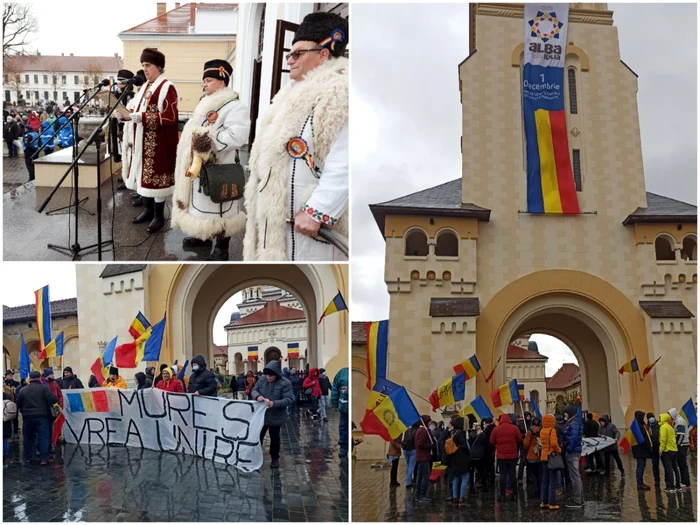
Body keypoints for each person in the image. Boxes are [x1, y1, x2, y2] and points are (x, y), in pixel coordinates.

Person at [244, 12, 349, 261]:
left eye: (298, 53)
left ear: (323, 54)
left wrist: (318, 211)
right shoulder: (289, 93)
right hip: (275, 219)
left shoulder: (340, 91)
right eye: (289, 54)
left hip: (306, 225)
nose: (290, 60)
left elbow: (346, 158)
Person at [171, 59, 250, 260]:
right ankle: (203, 235)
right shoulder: (205, 103)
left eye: (208, 80)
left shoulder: (235, 106)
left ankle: (222, 246)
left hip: (220, 168)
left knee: (221, 208)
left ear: (222, 81)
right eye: (203, 81)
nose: (204, 85)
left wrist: (208, 140)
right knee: (200, 204)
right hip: (199, 167)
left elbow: (237, 136)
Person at [123, 48, 179, 234]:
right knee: (143, 177)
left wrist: (143, 117)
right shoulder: (145, 87)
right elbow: (136, 111)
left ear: (158, 67)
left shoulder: (166, 87)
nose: (145, 69)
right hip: (141, 141)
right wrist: (125, 115)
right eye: (143, 66)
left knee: (156, 182)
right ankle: (147, 210)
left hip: (158, 143)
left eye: (148, 65)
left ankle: (158, 216)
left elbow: (171, 116)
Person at [251, 360, 294, 469]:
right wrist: (257, 396)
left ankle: (274, 458)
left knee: (274, 438)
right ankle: (255, 456)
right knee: (258, 436)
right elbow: (254, 390)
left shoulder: (285, 383)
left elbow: (289, 399)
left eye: (271, 376)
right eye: (267, 375)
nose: (268, 378)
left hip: (276, 415)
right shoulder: (261, 380)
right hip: (262, 415)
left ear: (277, 375)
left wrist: (275, 403)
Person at [16, 371, 57, 465]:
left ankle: (27, 458)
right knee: (43, 437)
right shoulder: (44, 388)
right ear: (39, 378)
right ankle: (44, 459)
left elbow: (18, 403)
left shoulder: (23, 390)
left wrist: (23, 411)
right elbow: (54, 399)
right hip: (42, 416)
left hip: (27, 417)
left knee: (27, 438)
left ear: (29, 379)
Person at [539, 413, 562, 510]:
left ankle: (544, 502)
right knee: (553, 480)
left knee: (545, 480)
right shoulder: (552, 430)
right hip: (551, 456)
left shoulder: (542, 430)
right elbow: (553, 443)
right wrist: (559, 449)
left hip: (543, 456)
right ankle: (552, 502)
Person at [562, 405, 584, 507]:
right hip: (574, 451)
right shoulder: (572, 421)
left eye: (565, 412)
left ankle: (577, 500)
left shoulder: (573, 422)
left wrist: (568, 449)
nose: (564, 414)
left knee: (575, 476)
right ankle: (579, 498)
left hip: (573, 452)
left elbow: (574, 438)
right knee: (575, 476)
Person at [446, 416, 470, 506]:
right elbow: (464, 445)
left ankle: (455, 497)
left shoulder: (452, 432)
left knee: (456, 478)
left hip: (453, 458)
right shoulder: (460, 433)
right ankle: (461, 498)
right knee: (464, 478)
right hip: (462, 458)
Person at [668, 407, 692, 491]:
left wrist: (677, 446)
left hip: (682, 445)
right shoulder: (677, 421)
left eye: (670, 415)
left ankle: (686, 482)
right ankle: (684, 481)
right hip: (681, 445)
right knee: (681, 464)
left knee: (682, 464)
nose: (670, 417)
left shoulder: (680, 421)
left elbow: (680, 435)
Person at [631, 410, 653, 491]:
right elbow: (642, 438)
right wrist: (648, 447)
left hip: (640, 450)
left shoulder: (638, 424)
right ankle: (639, 483)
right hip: (640, 450)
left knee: (642, 466)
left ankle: (640, 482)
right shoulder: (638, 426)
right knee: (640, 466)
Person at [659, 412, 681, 493]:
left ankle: (670, 486)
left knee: (668, 469)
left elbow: (663, 439)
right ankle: (678, 485)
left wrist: (661, 449)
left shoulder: (663, 427)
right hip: (674, 450)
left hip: (667, 451)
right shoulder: (670, 427)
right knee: (675, 468)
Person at [414, 415, 434, 503]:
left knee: (420, 476)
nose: (430, 423)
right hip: (423, 456)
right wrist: (430, 446)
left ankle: (418, 494)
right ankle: (422, 495)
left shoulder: (422, 430)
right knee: (425, 476)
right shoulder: (422, 431)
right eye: (429, 421)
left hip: (421, 456)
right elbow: (420, 444)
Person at [523, 417, 542, 498]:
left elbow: (526, 444)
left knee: (533, 474)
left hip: (531, 457)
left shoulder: (529, 432)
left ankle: (536, 490)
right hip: (540, 456)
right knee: (540, 474)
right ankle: (541, 489)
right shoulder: (542, 431)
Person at [645, 412, 661, 486]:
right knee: (655, 465)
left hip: (660, 447)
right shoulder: (647, 426)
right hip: (653, 448)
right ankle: (656, 480)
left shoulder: (659, 425)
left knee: (665, 464)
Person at [402, 421, 419, 489]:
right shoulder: (417, 431)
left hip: (405, 449)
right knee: (411, 466)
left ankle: (407, 480)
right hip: (413, 449)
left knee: (408, 465)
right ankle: (408, 482)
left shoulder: (407, 430)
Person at [517, 411, 531, 484]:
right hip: (523, 445)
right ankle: (520, 477)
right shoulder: (521, 424)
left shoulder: (531, 423)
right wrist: (524, 436)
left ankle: (529, 477)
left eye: (529, 416)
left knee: (529, 461)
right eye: (527, 416)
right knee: (522, 461)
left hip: (529, 445)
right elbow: (518, 434)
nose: (528, 418)